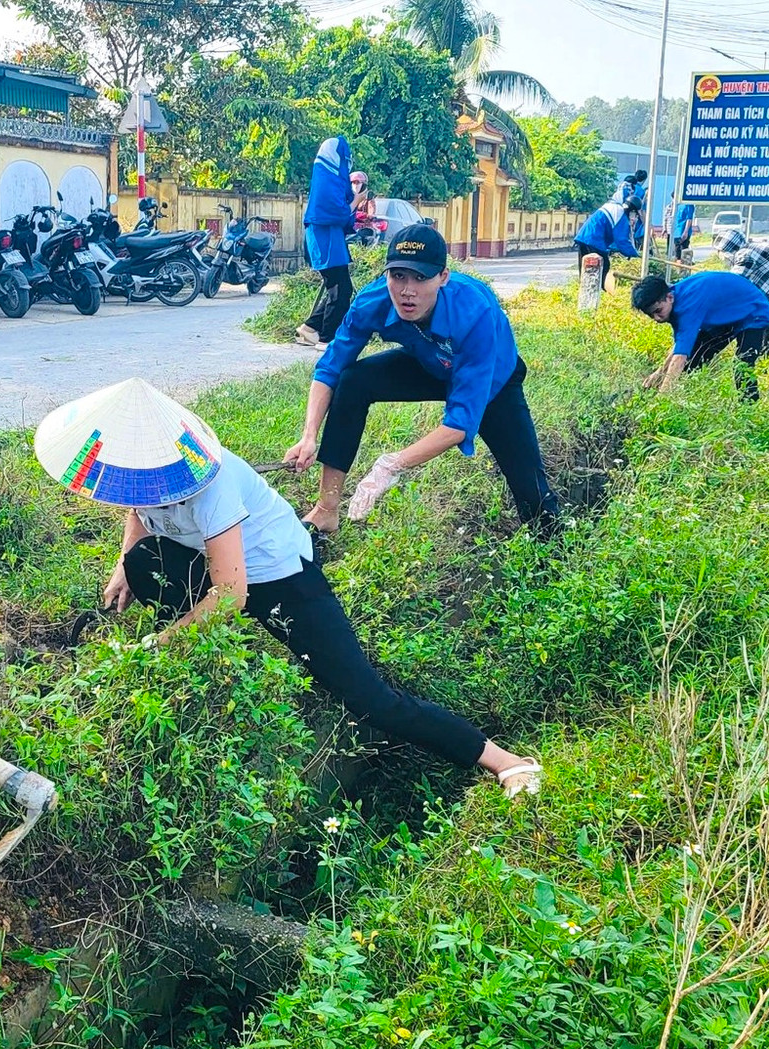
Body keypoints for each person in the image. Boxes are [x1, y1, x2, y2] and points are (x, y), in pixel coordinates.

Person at [35, 378, 543, 797]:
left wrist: (154, 648)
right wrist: (124, 565)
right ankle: (205, 649)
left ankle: (501, 760)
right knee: (143, 562)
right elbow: (137, 508)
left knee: (367, 697)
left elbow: (231, 596)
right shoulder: (141, 472)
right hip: (223, 571)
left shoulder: (208, 481)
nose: (129, 483)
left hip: (280, 580)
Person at [279, 224, 560, 536]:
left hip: (492, 380)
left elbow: (459, 424)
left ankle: (550, 552)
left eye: (420, 277)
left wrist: (391, 464)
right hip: (429, 363)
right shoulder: (372, 301)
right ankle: (326, 510)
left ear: (442, 277)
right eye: (398, 276)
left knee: (531, 488)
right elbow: (330, 367)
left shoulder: (474, 311)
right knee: (353, 380)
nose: (407, 290)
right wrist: (308, 436)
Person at [631, 271, 769, 402]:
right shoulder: (674, 298)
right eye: (651, 315)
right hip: (725, 315)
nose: (656, 318)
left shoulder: (688, 306)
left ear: (669, 297)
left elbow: (680, 356)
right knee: (693, 359)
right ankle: (687, 399)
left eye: (658, 311)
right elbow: (681, 345)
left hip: (753, 311)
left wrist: (662, 399)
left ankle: (749, 410)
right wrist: (659, 374)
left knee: (742, 365)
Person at [297, 136, 355, 349]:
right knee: (340, 289)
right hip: (325, 239)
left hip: (328, 238)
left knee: (337, 288)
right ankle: (326, 338)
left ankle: (310, 328)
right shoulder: (326, 179)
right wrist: (356, 201)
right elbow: (337, 212)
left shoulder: (330, 178)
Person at [572, 195, 642, 291]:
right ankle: (598, 289)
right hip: (594, 240)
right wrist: (634, 254)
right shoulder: (621, 215)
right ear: (632, 210)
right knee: (603, 265)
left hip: (584, 237)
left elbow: (613, 237)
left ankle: (584, 290)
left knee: (585, 267)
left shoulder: (615, 208)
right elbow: (621, 240)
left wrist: (616, 249)